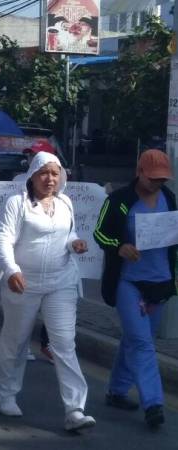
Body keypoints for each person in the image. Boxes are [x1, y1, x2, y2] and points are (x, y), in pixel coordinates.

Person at [0, 151, 95, 431]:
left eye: (55, 173)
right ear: (33, 175)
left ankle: (75, 409)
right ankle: (7, 395)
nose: (50, 179)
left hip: (60, 282)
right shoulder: (17, 203)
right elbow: (2, 237)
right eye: (44, 173)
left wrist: (75, 243)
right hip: (23, 282)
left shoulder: (65, 203)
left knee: (64, 344)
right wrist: (12, 270)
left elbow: (68, 233)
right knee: (16, 341)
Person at [94, 149, 175, 429]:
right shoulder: (119, 201)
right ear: (139, 172)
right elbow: (99, 232)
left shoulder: (170, 199)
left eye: (162, 179)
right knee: (142, 343)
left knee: (133, 339)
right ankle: (153, 403)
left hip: (160, 282)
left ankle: (117, 391)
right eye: (153, 178)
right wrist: (120, 246)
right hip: (128, 282)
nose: (157, 184)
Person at [13, 143, 57, 364]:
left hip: (54, 274)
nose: (49, 178)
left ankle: (48, 344)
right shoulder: (18, 184)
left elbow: (68, 227)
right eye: (30, 156)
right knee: (23, 315)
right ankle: (21, 347)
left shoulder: (62, 194)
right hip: (25, 268)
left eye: (36, 155)